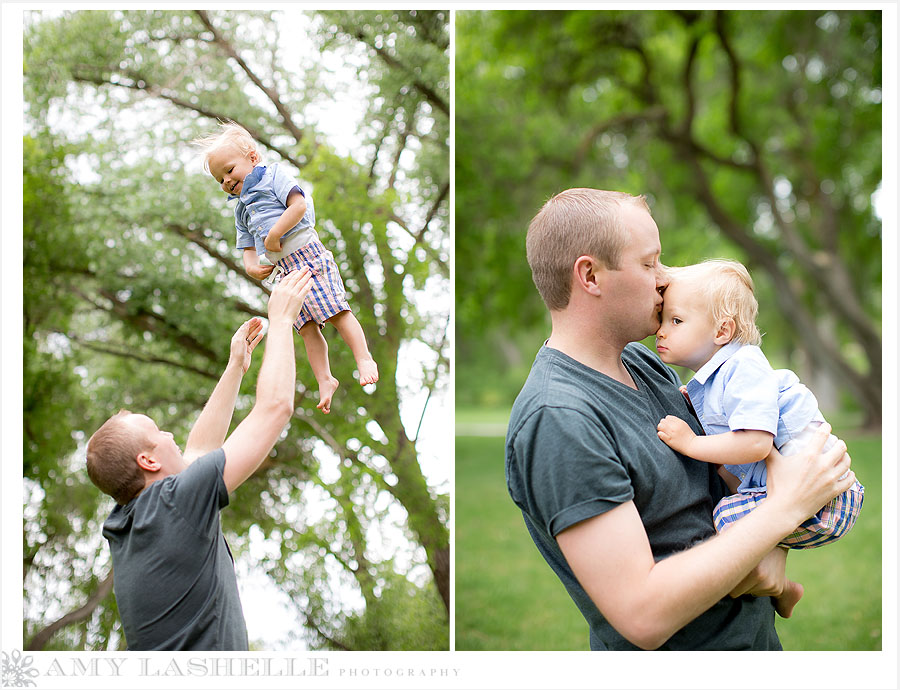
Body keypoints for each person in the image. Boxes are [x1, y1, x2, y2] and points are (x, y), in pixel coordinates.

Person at [505, 188, 856, 650]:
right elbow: (642, 614)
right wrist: (783, 512)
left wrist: (777, 544)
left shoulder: (642, 361)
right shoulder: (559, 419)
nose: (664, 281)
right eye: (650, 263)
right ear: (590, 275)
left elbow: (732, 470)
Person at [86, 268, 313, 651]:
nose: (171, 436)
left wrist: (234, 367)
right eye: (159, 434)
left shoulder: (134, 519)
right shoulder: (174, 504)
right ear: (148, 461)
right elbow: (275, 408)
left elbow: (199, 453)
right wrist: (283, 319)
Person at [654, 259, 864, 616]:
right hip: (805, 488)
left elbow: (755, 443)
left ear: (722, 331)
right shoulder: (717, 379)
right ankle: (780, 588)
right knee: (732, 521)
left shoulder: (742, 367)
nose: (660, 331)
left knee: (725, 525)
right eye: (663, 320)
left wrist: (690, 443)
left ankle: (772, 587)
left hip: (828, 494)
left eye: (675, 320)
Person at [193, 122, 378, 414]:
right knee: (305, 329)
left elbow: (299, 206)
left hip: (309, 257)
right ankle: (325, 379)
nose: (227, 181)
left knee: (337, 312)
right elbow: (247, 247)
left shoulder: (273, 176)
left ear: (252, 158)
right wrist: (252, 267)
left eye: (229, 170)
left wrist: (274, 234)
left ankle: (364, 358)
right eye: (220, 180)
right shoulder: (241, 208)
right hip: (286, 272)